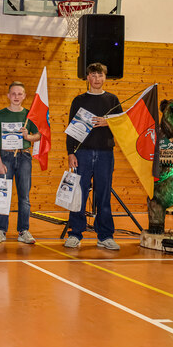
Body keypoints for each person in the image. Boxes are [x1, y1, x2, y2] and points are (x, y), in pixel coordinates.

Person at [65, 63, 121, 250]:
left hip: (105, 154)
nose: (97, 79)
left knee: (103, 195)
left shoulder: (112, 99)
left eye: (100, 75)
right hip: (83, 153)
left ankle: (105, 236)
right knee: (79, 194)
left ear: (105, 77)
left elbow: (122, 125)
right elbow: (71, 129)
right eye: (93, 75)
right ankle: (75, 233)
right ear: (88, 78)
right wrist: (70, 152)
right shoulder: (79, 100)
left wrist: (108, 122)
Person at [0, 81, 41, 244]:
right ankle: (1, 230)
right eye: (13, 93)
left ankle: (23, 230)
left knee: (24, 196)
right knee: (2, 194)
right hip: (5, 157)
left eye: (20, 94)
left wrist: (27, 136)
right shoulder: (0, 115)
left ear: (24, 96)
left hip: (24, 157)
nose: (16, 96)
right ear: (8, 96)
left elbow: (38, 135)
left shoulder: (29, 115)